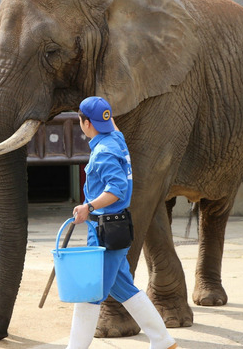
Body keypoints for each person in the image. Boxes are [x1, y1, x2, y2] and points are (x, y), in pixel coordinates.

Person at [68, 96, 177, 349]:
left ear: (84, 123)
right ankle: (163, 341)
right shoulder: (115, 139)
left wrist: (88, 206)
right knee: (123, 288)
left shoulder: (104, 152)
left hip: (105, 228)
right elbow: (112, 125)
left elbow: (116, 188)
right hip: (115, 227)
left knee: (90, 291)